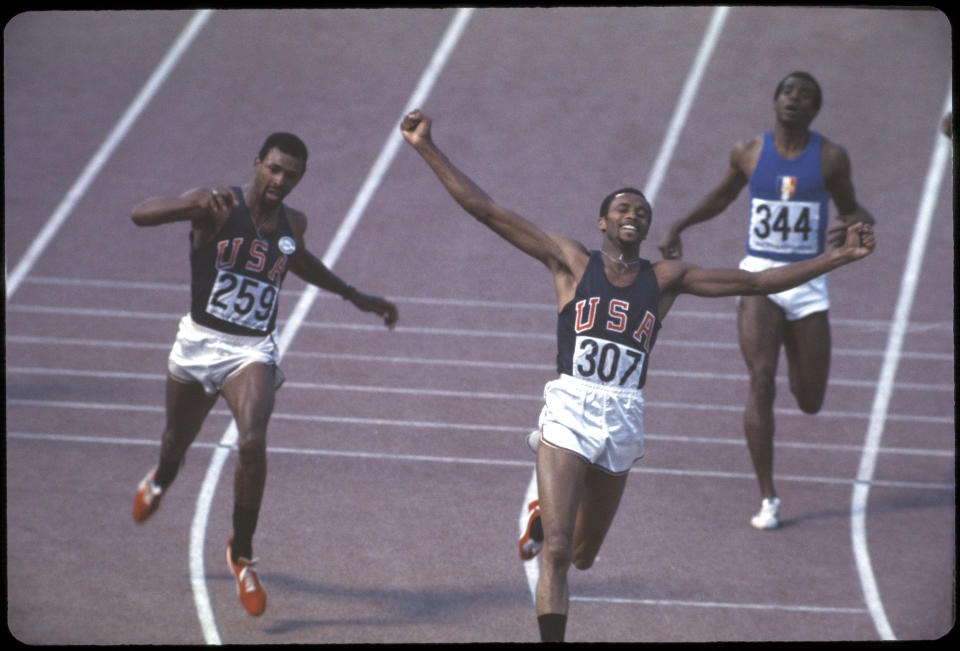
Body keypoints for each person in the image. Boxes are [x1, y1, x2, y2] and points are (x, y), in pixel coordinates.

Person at [399, 109, 874, 643]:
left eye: (642, 211)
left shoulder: (667, 280)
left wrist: (838, 258)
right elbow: (485, 209)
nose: (633, 213)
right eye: (622, 207)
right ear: (602, 223)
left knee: (582, 556)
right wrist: (426, 146)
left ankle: (540, 517)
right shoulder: (570, 263)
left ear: (646, 228)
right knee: (555, 553)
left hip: (624, 413)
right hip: (570, 407)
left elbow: (758, 282)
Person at [129, 132, 398, 616]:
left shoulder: (293, 222)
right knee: (175, 443)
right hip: (197, 345)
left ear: (299, 178)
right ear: (256, 164)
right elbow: (140, 214)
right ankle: (163, 477)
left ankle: (242, 553)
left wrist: (353, 295)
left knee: (251, 439)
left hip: (251, 348)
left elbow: (301, 261)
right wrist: (186, 203)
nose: (279, 180)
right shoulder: (216, 205)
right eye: (273, 169)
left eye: (290, 174)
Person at [658, 72, 875, 531]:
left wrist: (858, 223)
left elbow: (855, 209)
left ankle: (796, 359)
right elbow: (721, 196)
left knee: (810, 399)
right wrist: (680, 224)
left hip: (808, 281)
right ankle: (768, 496)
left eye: (806, 96)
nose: (795, 100)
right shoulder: (749, 152)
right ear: (775, 100)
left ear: (815, 109)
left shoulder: (831, 158)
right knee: (760, 381)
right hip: (758, 276)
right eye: (789, 92)